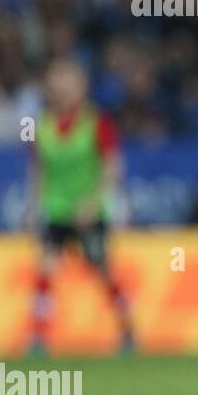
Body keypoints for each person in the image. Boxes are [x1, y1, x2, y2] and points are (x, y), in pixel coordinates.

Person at [26, 59, 134, 355]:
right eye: (56, 82)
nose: (61, 89)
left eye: (68, 82)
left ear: (81, 88)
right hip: (56, 210)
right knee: (45, 268)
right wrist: (32, 205)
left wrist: (96, 200)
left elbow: (113, 168)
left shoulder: (98, 123)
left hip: (89, 211)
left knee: (103, 270)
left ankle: (127, 331)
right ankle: (38, 339)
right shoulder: (39, 125)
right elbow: (38, 170)